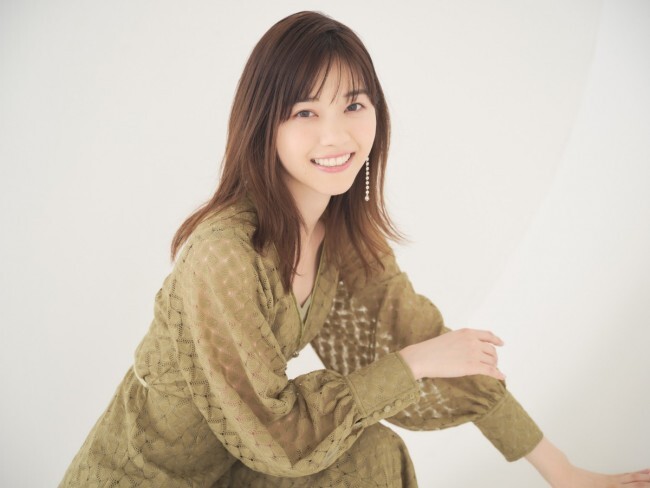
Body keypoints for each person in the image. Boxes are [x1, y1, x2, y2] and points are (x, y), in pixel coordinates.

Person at [60, 11, 649, 488]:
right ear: (265, 126)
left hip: (234, 472)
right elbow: (280, 434)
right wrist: (414, 364)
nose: (336, 135)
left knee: (371, 454)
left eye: (353, 105)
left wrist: (562, 472)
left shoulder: (341, 238)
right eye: (305, 112)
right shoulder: (224, 256)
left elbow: (431, 341)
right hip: (143, 478)